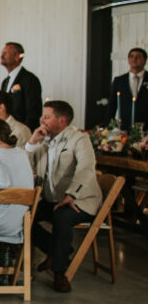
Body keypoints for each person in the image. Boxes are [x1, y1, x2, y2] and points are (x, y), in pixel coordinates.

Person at [26, 100, 102, 292]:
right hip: (52, 199)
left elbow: (86, 169)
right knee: (23, 215)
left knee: (62, 217)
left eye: (47, 116)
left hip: (81, 200)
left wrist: (71, 194)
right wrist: (32, 143)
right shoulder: (43, 140)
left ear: (62, 120)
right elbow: (24, 164)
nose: (41, 120)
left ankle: (60, 274)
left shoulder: (79, 139)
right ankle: (57, 250)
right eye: (42, 116)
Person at [0, 42, 42, 131]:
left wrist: (25, 131)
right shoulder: (5, 82)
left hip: (23, 132)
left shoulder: (30, 79)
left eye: (5, 53)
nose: (1, 56)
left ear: (17, 57)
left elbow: (33, 111)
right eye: (2, 53)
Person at [105, 46, 148, 129]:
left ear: (145, 60)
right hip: (125, 127)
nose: (134, 59)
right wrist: (108, 127)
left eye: (138, 56)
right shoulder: (119, 81)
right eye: (131, 56)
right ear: (128, 60)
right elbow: (112, 105)